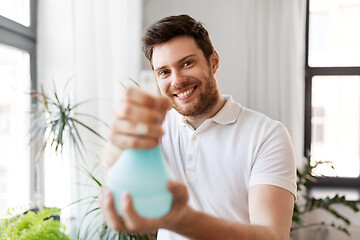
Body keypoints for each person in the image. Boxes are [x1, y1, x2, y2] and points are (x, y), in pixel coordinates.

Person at [100, 14, 296, 240]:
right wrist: (119, 141)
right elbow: (113, 168)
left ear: (213, 62)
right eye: (164, 72)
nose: (177, 80)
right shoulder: (156, 127)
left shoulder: (266, 135)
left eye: (186, 63)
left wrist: (184, 221)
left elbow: (273, 235)